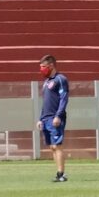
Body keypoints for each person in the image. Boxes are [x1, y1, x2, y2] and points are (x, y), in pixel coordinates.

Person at [40, 54, 70, 182]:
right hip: (46, 118)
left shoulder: (60, 79)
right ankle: (58, 172)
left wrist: (58, 116)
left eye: (44, 66)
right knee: (52, 147)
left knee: (57, 145)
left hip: (55, 118)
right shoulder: (46, 82)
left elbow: (64, 98)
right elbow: (45, 102)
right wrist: (40, 118)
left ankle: (61, 174)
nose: (42, 69)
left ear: (51, 65)